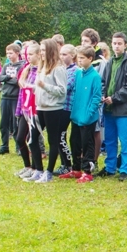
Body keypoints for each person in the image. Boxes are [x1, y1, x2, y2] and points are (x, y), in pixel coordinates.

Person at [96, 32, 127, 181]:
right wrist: (103, 95)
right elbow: (103, 82)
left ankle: (125, 169)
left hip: (123, 109)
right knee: (109, 140)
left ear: (125, 45)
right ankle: (110, 167)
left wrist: (114, 98)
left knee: (125, 140)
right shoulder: (109, 62)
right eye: (114, 43)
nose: (117, 46)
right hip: (109, 109)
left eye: (120, 43)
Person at [24, 38, 68, 183]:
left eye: (43, 50)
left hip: (53, 109)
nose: (41, 53)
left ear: (50, 51)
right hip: (40, 107)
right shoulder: (42, 67)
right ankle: (38, 170)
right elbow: (39, 86)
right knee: (32, 139)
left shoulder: (58, 68)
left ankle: (48, 172)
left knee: (52, 140)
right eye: (40, 50)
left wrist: (44, 86)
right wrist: (30, 86)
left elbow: (62, 91)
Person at [60, 46, 103, 183]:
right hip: (76, 115)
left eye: (82, 58)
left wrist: (88, 114)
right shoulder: (78, 73)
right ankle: (76, 169)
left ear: (90, 59)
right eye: (78, 58)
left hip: (87, 118)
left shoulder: (95, 76)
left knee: (87, 144)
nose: (79, 61)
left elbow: (96, 97)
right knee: (74, 142)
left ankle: (87, 171)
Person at [80, 28, 106, 170]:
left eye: (86, 41)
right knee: (84, 130)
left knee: (95, 130)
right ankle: (84, 157)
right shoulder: (82, 58)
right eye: (82, 41)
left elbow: (102, 82)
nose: (83, 43)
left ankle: (94, 160)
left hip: (96, 101)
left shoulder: (100, 61)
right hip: (83, 101)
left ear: (95, 43)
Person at [14, 43, 40, 179]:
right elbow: (22, 92)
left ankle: (36, 168)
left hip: (35, 110)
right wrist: (18, 110)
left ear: (38, 55)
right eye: (26, 54)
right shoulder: (27, 69)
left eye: (30, 54)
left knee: (32, 139)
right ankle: (27, 166)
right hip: (25, 108)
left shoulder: (41, 71)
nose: (27, 57)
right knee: (19, 138)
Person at [0, 43, 24, 154]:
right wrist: (8, 77)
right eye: (7, 53)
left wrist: (7, 80)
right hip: (5, 97)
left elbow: (18, 81)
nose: (8, 55)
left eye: (11, 53)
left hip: (15, 98)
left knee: (15, 124)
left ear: (17, 53)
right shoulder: (6, 66)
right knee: (4, 123)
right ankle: (4, 146)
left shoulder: (22, 66)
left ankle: (18, 147)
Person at [53, 44, 77, 176]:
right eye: (60, 54)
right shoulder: (61, 69)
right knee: (57, 136)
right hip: (58, 106)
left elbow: (65, 87)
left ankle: (67, 164)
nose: (61, 57)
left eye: (64, 54)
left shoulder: (75, 71)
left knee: (60, 136)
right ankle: (64, 163)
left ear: (72, 55)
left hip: (67, 107)